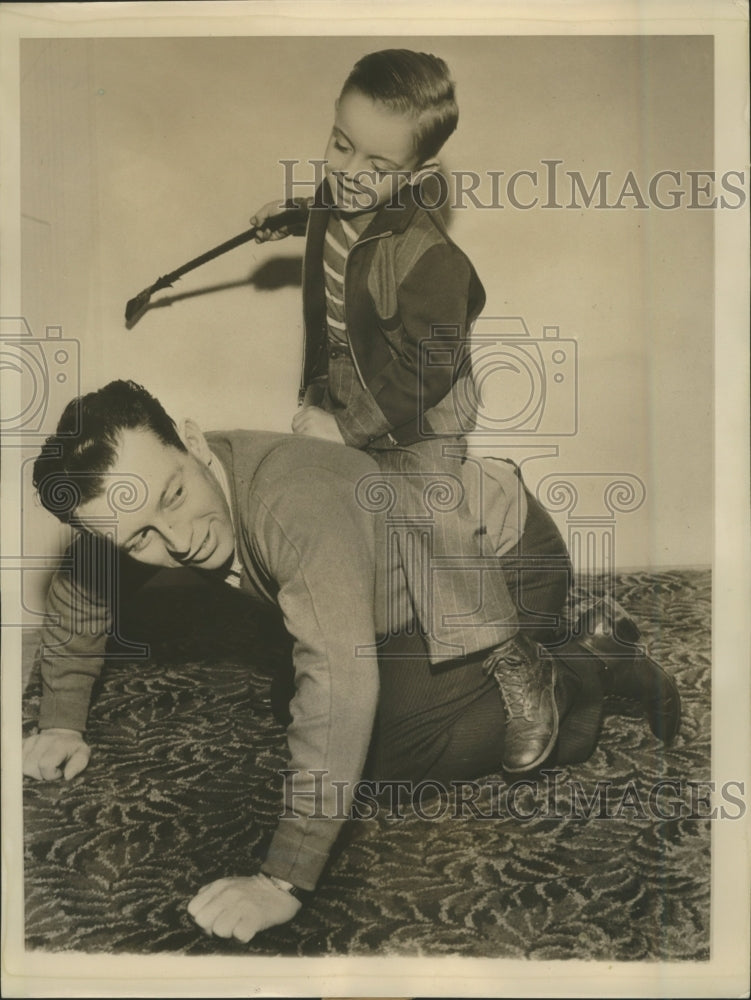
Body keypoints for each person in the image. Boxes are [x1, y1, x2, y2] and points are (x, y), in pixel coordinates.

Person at [23, 380, 680, 944]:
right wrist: (61, 720)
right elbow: (84, 589)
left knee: (372, 751)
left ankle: (589, 663)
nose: (181, 540)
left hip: (499, 571)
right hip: (400, 606)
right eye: (137, 536)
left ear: (194, 442)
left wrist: (281, 879)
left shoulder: (294, 500)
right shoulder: (138, 497)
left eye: (172, 498)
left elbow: (340, 681)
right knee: (303, 710)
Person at [249, 48, 558, 773]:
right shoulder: (339, 197)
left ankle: (518, 664)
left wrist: (351, 426)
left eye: (377, 166)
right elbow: (329, 211)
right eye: (339, 144)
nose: (350, 171)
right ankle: (359, 636)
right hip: (352, 386)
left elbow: (429, 368)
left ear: (414, 177)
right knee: (326, 502)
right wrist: (287, 215)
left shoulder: (430, 258)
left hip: (423, 404)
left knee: (426, 512)